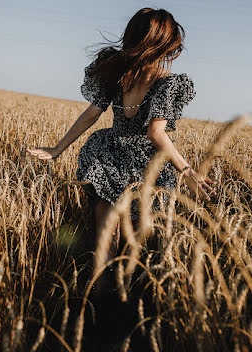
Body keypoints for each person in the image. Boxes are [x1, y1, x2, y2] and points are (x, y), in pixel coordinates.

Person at [27, 7, 216, 240]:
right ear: (163, 43)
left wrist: (57, 148)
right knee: (137, 243)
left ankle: (103, 273)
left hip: (109, 154)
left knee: (106, 226)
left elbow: (92, 114)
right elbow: (155, 133)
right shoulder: (167, 82)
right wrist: (187, 173)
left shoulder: (117, 72)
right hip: (148, 165)